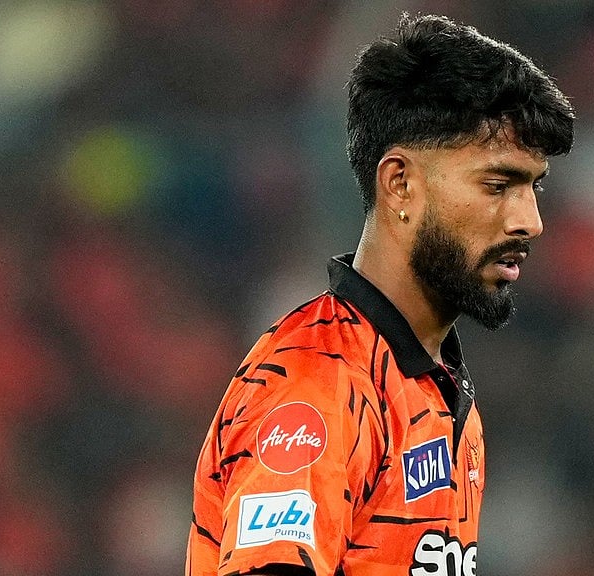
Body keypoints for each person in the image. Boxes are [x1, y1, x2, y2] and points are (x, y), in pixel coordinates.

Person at [185, 13, 574, 576]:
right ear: (400, 184)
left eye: (533, 187)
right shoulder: (320, 382)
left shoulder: (434, 388)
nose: (530, 221)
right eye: (498, 184)